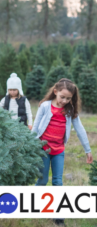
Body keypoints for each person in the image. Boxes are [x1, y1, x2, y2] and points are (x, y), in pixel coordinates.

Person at [32, 78, 93, 226]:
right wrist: (30, 145)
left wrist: (87, 149)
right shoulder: (45, 106)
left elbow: (80, 130)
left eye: (68, 98)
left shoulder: (70, 111)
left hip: (59, 151)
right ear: (55, 92)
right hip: (43, 149)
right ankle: (32, 203)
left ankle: (58, 214)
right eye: (62, 97)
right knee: (42, 180)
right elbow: (35, 127)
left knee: (58, 181)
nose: (64, 101)